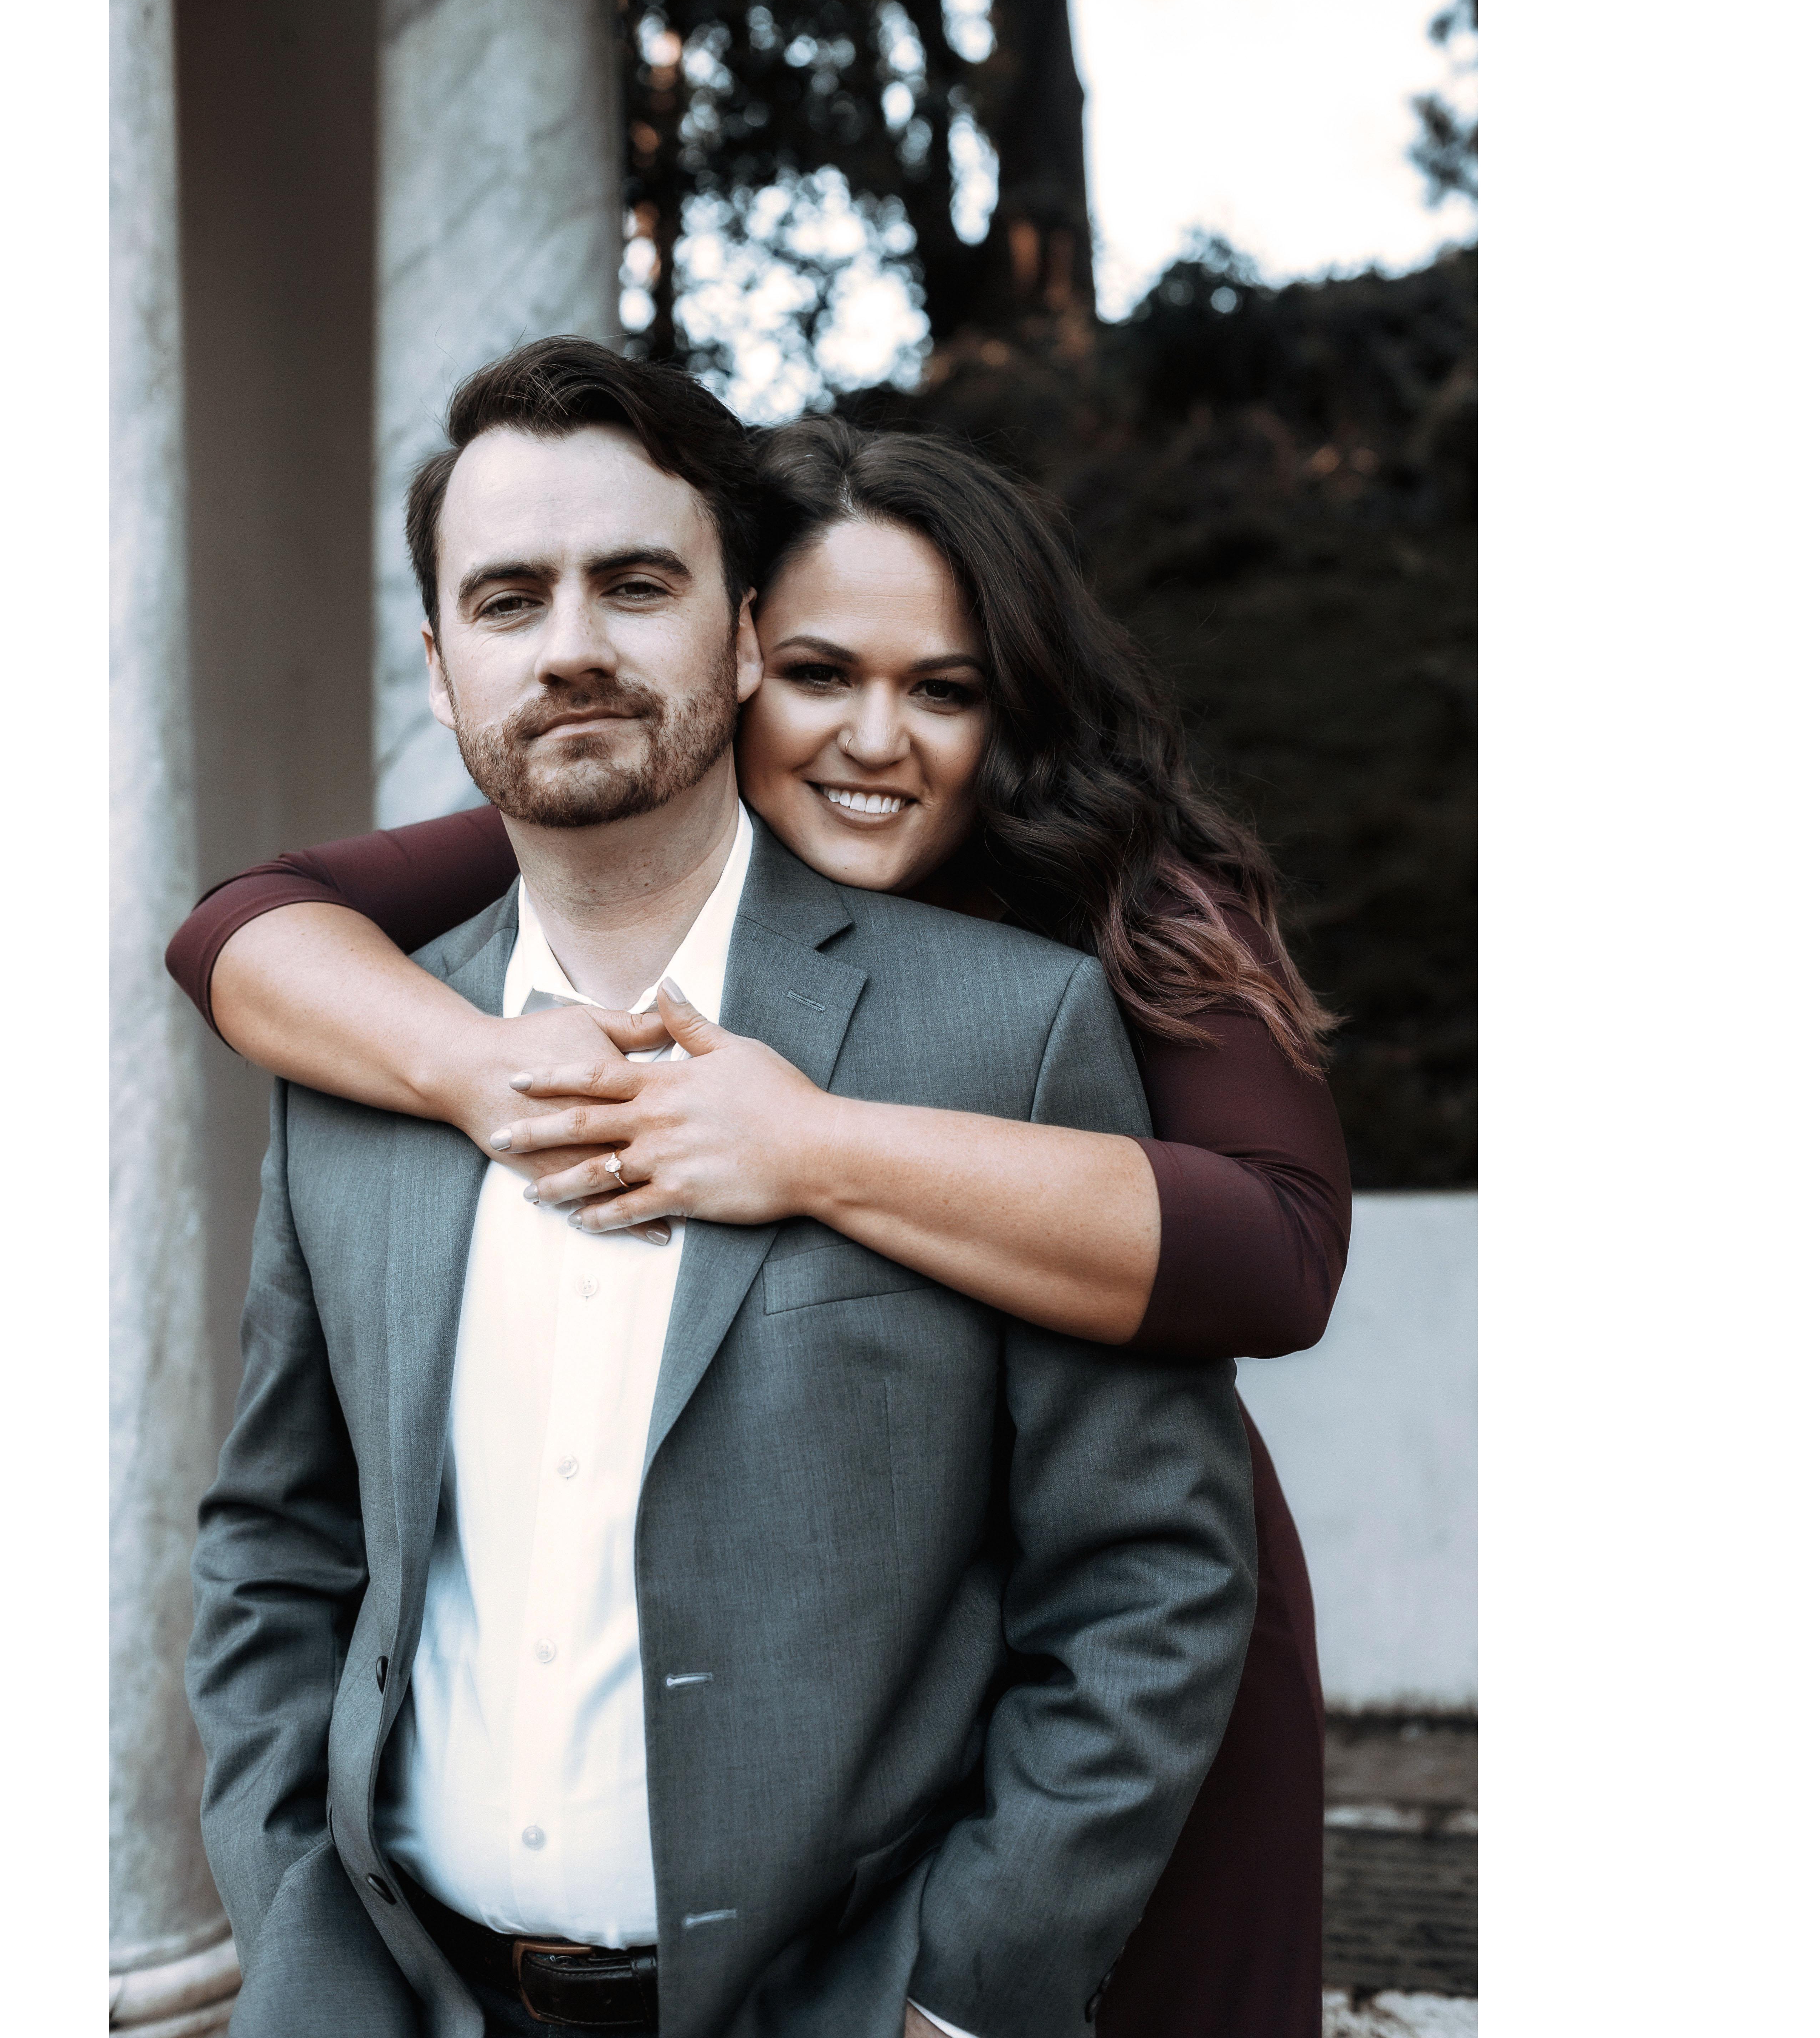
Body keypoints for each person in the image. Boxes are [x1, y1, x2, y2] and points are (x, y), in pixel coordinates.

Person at [170, 396, 1350, 2034]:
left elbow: (1266, 1286)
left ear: (713, 640)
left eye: (944, 689)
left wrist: (957, 1998)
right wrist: (464, 1071)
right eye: (826, 674)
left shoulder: (1084, 962)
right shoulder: (413, 1021)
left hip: (922, 1932)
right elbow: (242, 925)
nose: (875, 740)